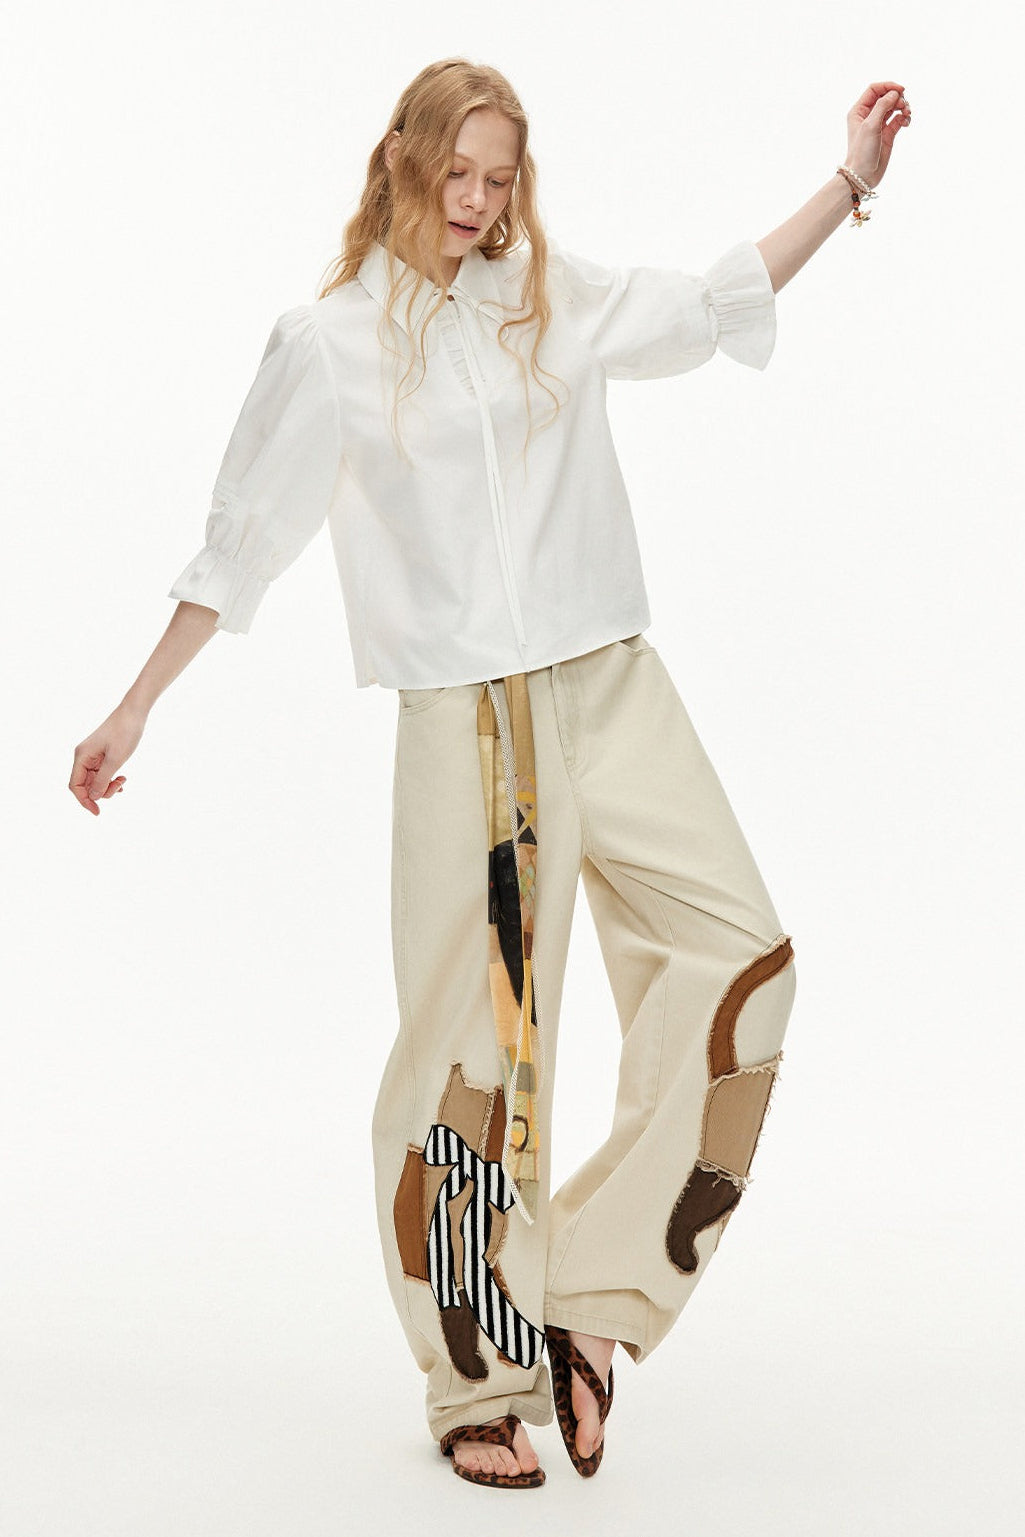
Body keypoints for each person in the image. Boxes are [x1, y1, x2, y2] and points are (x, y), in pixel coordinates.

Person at [68, 59, 911, 1490]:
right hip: (463, 725)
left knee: (743, 957)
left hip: (612, 687)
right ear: (398, 159)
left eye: (499, 176)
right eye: (454, 172)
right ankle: (472, 1379)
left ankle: (588, 1296)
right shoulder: (329, 342)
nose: (475, 201)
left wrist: (848, 186)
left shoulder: (548, 297)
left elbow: (713, 302)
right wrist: (136, 705)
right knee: (474, 1059)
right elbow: (243, 540)